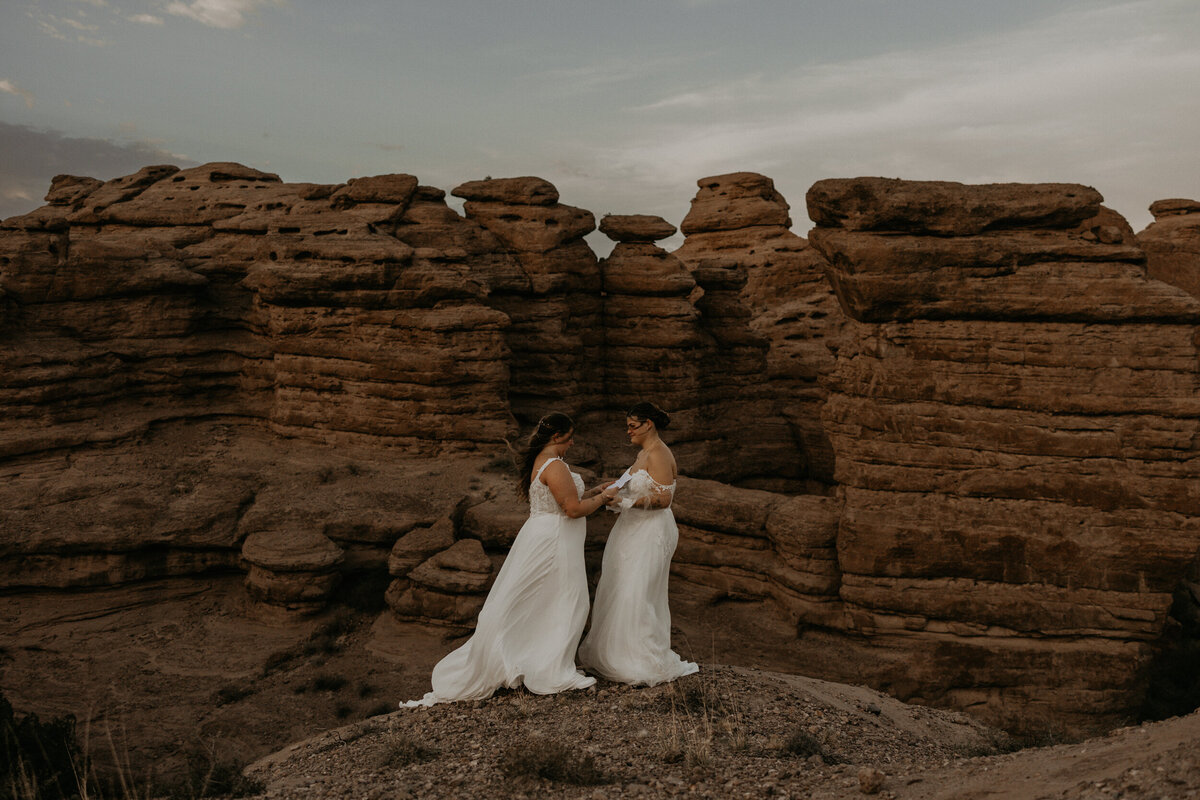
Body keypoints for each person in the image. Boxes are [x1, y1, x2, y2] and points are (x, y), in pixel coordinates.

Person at [403, 412, 618, 707]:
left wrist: (596, 491)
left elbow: (569, 499)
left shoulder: (543, 461)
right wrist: (604, 500)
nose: (572, 442)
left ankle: (536, 658)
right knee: (569, 600)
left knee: (544, 600)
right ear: (557, 437)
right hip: (555, 539)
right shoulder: (554, 465)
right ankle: (550, 668)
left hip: (545, 534)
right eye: (570, 437)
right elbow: (572, 510)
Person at [578, 401, 699, 685]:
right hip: (631, 529)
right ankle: (618, 653)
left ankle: (641, 658)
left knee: (639, 590)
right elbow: (628, 481)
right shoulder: (643, 453)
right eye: (627, 426)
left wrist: (624, 501)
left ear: (649, 424)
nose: (628, 431)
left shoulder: (658, 454)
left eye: (633, 426)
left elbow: (664, 499)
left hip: (651, 531)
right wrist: (606, 490)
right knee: (621, 586)